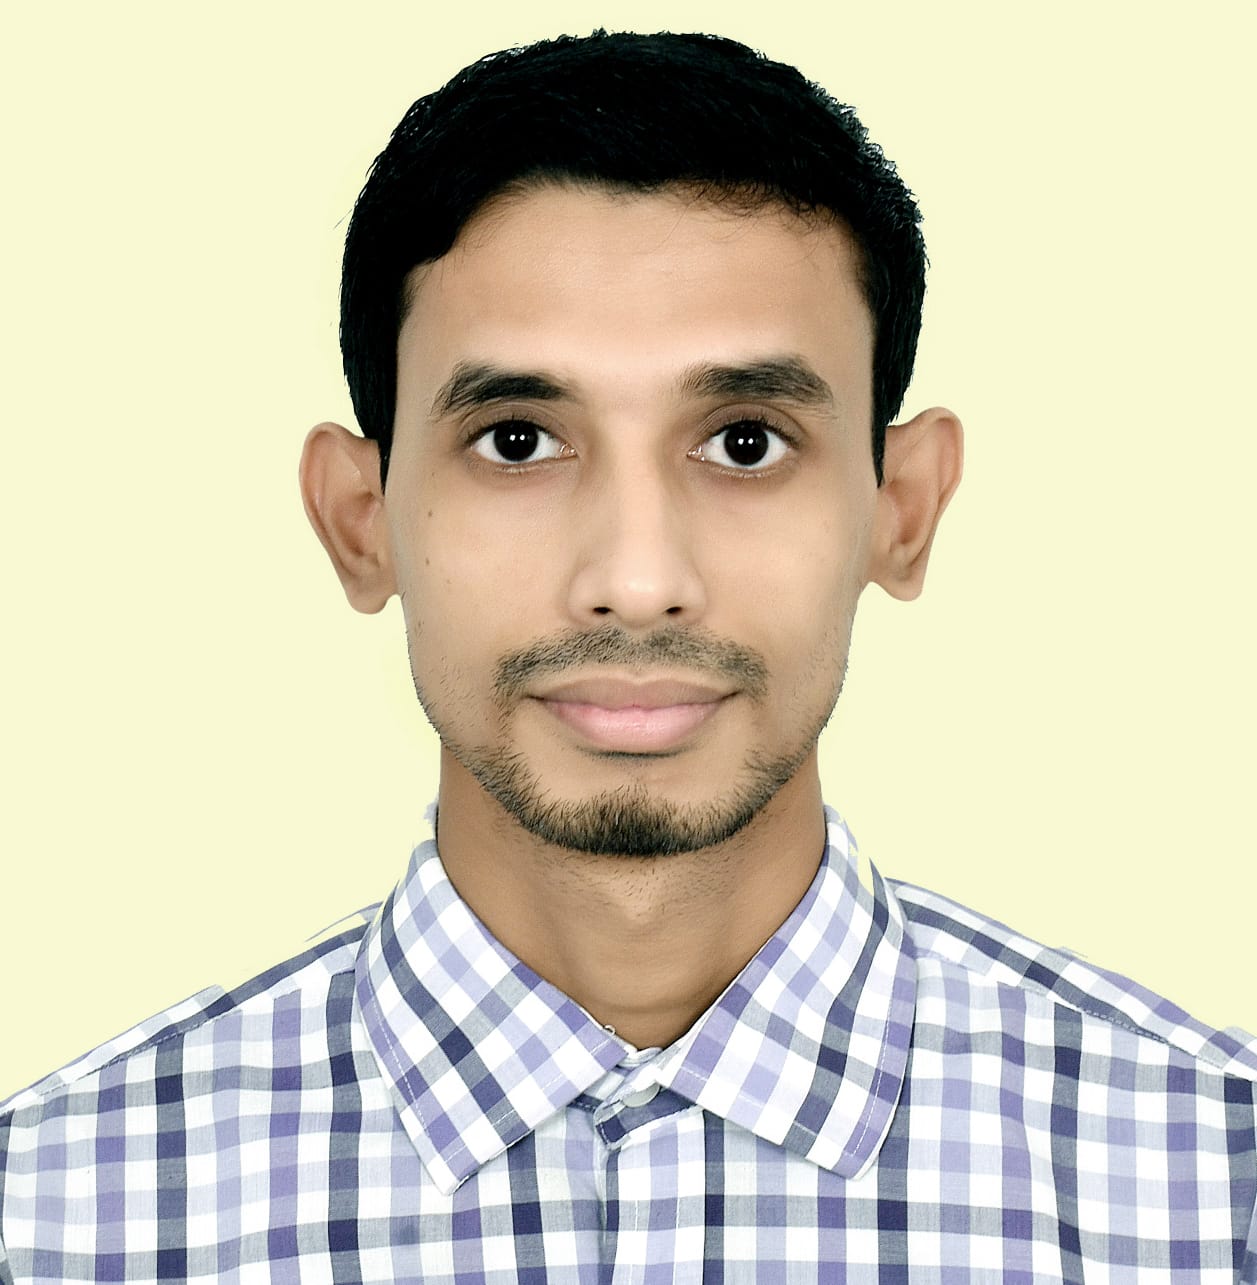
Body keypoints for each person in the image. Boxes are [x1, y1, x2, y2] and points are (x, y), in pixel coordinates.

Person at [1, 28, 1254, 1282]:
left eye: (747, 442)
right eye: (517, 441)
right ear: (358, 521)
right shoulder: (52, 1218)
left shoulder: (1215, 1185)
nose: (639, 579)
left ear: (903, 509)